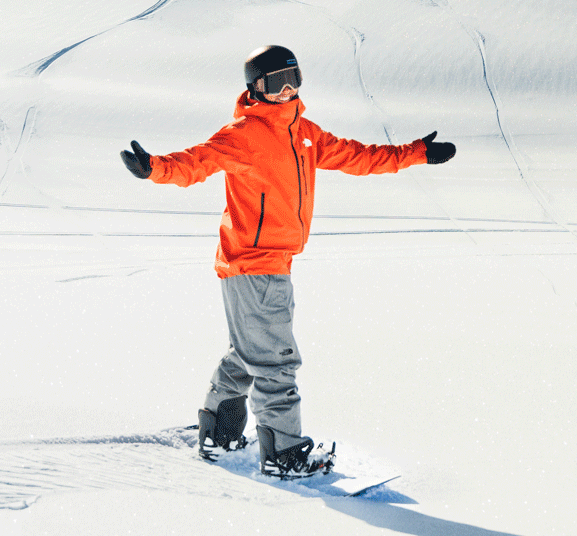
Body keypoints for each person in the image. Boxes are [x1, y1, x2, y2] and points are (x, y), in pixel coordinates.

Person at [120, 44, 456, 477]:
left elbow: (359, 156)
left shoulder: (305, 134)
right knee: (275, 362)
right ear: (255, 88)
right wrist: (154, 168)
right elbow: (197, 162)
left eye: (293, 80)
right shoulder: (243, 134)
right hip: (254, 262)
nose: (285, 92)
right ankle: (284, 454)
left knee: (249, 353)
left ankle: (218, 431)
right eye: (276, 83)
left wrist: (416, 153)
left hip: (264, 264)